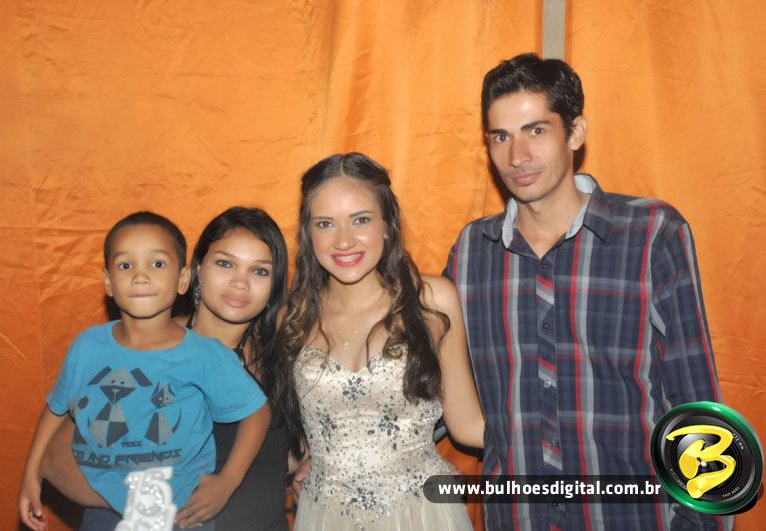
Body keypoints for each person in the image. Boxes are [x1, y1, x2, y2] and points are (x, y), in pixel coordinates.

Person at [444, 53, 730, 530]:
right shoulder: (473, 251)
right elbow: (430, 381)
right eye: (501, 136)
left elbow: (696, 401)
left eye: (536, 131)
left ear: (575, 132)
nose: (517, 156)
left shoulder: (651, 234)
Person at [37, 207, 292, 530]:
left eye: (259, 271)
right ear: (195, 270)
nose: (240, 283)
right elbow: (55, 460)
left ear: (274, 284)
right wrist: (148, 505)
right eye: (225, 264)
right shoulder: (145, 349)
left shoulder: (285, 354)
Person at [274, 152, 485, 530]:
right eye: (325, 223)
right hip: (324, 516)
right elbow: (291, 431)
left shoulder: (433, 301)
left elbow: (468, 425)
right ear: (308, 233)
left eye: (361, 220)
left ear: (388, 225)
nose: (343, 241)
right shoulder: (292, 319)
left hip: (422, 515)